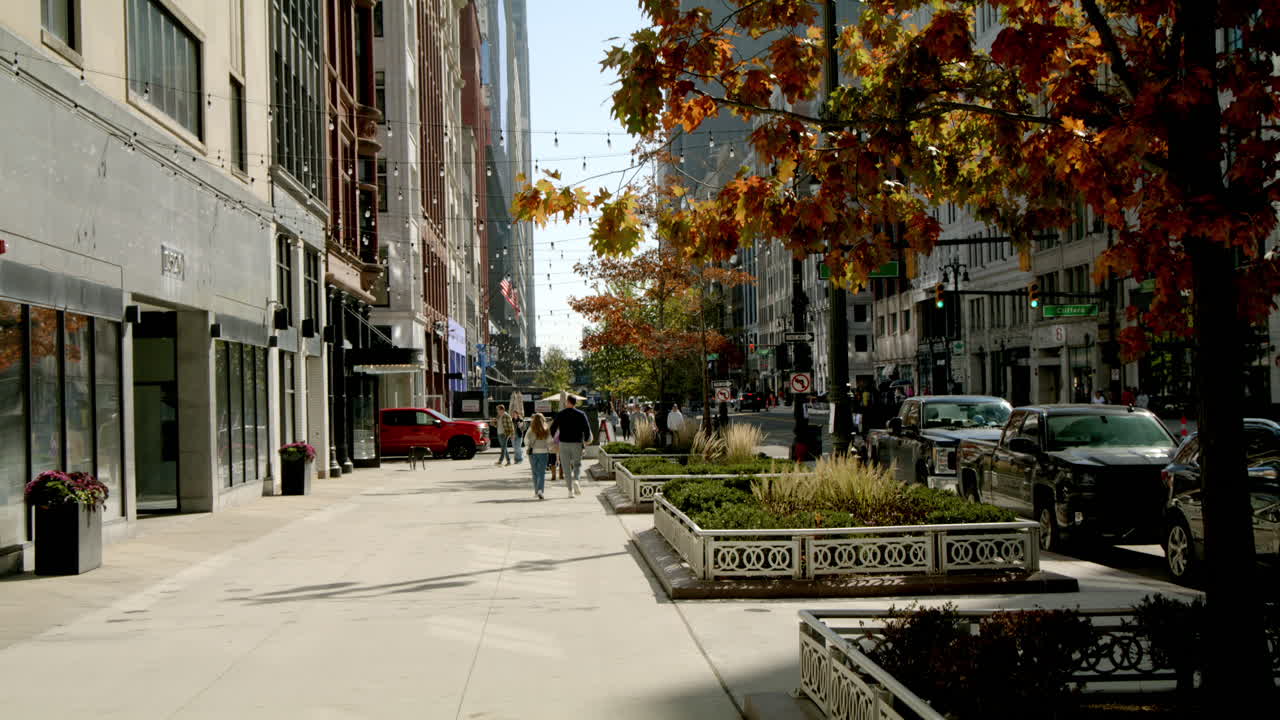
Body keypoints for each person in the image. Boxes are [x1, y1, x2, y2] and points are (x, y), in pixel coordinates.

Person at [550, 395, 593, 496]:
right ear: (575, 403)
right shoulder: (581, 414)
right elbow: (587, 428)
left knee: (566, 467)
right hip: (577, 443)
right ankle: (576, 480)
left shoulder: (561, 414)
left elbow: (553, 428)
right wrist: (586, 440)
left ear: (568, 402)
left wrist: (554, 439)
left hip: (563, 443)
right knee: (577, 464)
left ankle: (570, 491)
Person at [523, 413, 552, 499]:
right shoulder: (546, 429)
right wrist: (549, 448)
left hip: (533, 453)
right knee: (541, 473)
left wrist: (529, 446)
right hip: (543, 452)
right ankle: (540, 490)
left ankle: (536, 491)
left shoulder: (531, 429)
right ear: (543, 420)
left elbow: (526, 440)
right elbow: (550, 441)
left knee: (535, 472)